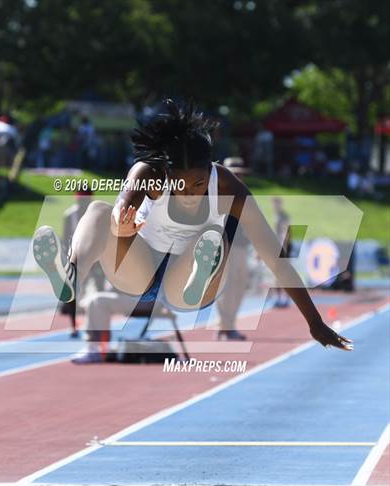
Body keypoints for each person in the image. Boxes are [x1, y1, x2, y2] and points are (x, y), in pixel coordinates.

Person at [32, 99, 353, 352]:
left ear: (210, 171)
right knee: (99, 211)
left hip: (190, 285)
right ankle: (71, 277)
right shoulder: (146, 173)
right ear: (165, 173)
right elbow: (118, 213)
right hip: (139, 273)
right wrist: (121, 227)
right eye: (179, 184)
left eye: (198, 183)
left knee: (212, 234)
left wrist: (315, 322)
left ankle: (200, 273)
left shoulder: (229, 188)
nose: (189, 192)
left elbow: (275, 259)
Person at [61, 187, 104, 337]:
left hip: (95, 257)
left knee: (99, 291)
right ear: (76, 199)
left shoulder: (97, 216)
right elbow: (65, 238)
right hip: (76, 258)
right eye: (81, 200)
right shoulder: (69, 215)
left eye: (86, 200)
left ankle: (98, 326)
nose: (83, 203)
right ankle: (73, 326)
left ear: (90, 200)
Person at [216, 157, 251, 340]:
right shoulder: (219, 194)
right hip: (225, 247)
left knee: (240, 287)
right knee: (226, 288)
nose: (238, 177)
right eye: (234, 173)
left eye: (240, 174)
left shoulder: (243, 193)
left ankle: (228, 324)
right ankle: (226, 326)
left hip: (241, 247)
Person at [272, 197, 292, 308]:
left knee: (284, 274)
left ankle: (285, 298)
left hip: (283, 247)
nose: (275, 206)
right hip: (278, 246)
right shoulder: (276, 216)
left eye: (276, 204)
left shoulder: (283, 216)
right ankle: (278, 298)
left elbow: (285, 232)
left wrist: (283, 247)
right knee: (276, 275)